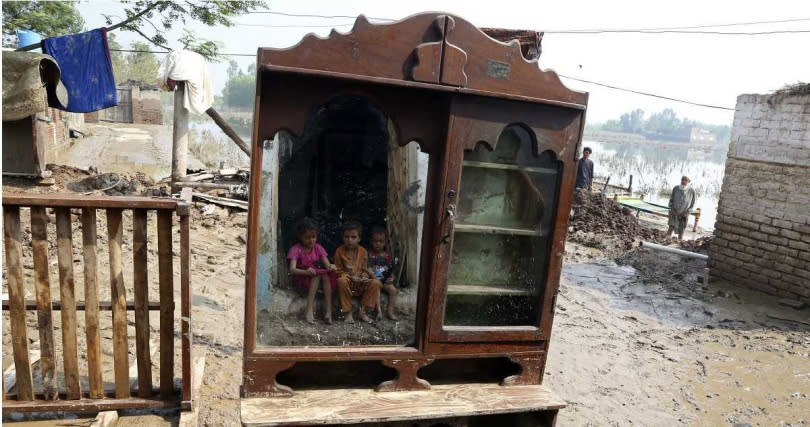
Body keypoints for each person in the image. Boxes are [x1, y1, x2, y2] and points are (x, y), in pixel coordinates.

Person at [287, 218, 336, 324]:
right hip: (302, 279)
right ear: (300, 237)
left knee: (325, 275)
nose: (311, 240)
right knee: (317, 275)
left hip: (317, 280)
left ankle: (328, 312)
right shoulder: (296, 249)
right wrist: (306, 272)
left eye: (313, 237)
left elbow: (327, 265)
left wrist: (331, 267)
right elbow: (292, 269)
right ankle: (309, 311)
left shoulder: (318, 248)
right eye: (307, 237)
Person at [334, 221, 382, 323]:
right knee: (341, 281)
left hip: (360, 283)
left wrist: (364, 276)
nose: (349, 240)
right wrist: (350, 277)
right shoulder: (339, 251)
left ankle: (363, 311)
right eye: (346, 237)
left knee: (376, 283)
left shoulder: (363, 251)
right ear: (343, 238)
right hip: (348, 283)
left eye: (353, 237)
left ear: (359, 238)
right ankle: (347, 313)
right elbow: (338, 270)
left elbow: (365, 268)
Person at [368, 227, 398, 321]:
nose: (378, 244)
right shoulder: (369, 255)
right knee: (376, 289)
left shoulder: (387, 256)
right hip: (374, 281)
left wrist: (392, 278)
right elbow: (366, 268)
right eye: (375, 241)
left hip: (384, 282)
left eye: (381, 241)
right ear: (371, 241)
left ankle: (390, 311)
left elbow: (392, 270)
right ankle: (379, 312)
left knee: (393, 290)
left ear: (385, 243)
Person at [667, 176, 696, 240]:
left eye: (685, 180)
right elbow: (671, 200)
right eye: (682, 180)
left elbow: (693, 204)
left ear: (688, 182)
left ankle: (679, 242)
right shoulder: (676, 188)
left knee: (681, 230)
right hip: (674, 212)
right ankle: (666, 240)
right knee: (671, 227)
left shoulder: (692, 191)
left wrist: (687, 212)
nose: (683, 181)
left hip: (683, 215)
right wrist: (672, 209)